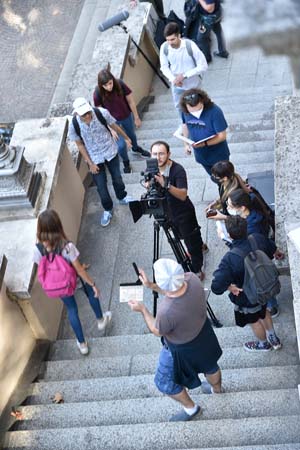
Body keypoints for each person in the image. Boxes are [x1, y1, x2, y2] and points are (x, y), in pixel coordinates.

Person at [128, 258, 223, 421]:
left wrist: (142, 309)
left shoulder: (166, 312)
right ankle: (217, 391)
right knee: (211, 365)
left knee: (163, 381)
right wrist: (151, 286)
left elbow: (157, 331)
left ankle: (191, 409)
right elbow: (176, 290)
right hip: (204, 334)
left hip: (181, 349)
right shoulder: (192, 279)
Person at [33, 209, 112, 355]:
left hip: (60, 286)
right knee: (90, 293)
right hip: (75, 280)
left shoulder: (37, 249)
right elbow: (79, 270)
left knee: (71, 309)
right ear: (57, 225)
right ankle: (101, 320)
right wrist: (93, 284)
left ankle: (82, 344)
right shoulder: (66, 246)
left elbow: (42, 267)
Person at [211, 216, 282, 352]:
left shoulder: (230, 259)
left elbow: (216, 286)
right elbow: (273, 249)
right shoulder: (257, 238)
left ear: (230, 235)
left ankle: (263, 344)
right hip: (265, 287)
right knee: (265, 312)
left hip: (248, 296)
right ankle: (273, 338)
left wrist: (229, 286)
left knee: (254, 321)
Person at [68, 97, 133, 227]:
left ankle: (122, 196)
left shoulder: (101, 113)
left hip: (110, 150)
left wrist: (126, 138)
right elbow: (80, 145)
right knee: (101, 187)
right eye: (83, 114)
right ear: (76, 113)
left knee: (117, 178)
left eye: (88, 112)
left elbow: (114, 125)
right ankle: (108, 208)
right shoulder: (74, 125)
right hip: (94, 158)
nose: (87, 116)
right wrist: (90, 163)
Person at [151, 140, 205, 278]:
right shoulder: (151, 169)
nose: (158, 158)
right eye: (154, 154)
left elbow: (182, 195)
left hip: (183, 213)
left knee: (191, 241)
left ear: (169, 154)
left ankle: (197, 269)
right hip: (167, 213)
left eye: (161, 154)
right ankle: (199, 245)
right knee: (179, 236)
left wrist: (166, 184)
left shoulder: (178, 170)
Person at [227, 189, 284, 318]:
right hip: (263, 253)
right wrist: (275, 251)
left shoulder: (251, 227)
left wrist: (230, 241)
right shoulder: (255, 213)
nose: (228, 208)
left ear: (242, 207)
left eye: (230, 206)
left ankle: (272, 306)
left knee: (263, 283)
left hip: (256, 260)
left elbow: (246, 244)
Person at [93, 66, 150, 169]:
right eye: (105, 85)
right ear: (101, 85)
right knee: (121, 146)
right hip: (112, 123)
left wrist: (136, 117)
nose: (109, 87)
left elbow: (130, 101)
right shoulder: (97, 93)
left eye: (110, 83)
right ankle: (125, 161)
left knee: (132, 135)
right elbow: (100, 114)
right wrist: (110, 129)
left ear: (113, 80)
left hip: (126, 116)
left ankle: (136, 149)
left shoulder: (120, 84)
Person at [160, 22, 207, 115]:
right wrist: (174, 79)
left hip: (193, 85)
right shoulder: (164, 47)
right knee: (179, 107)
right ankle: (184, 125)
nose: (170, 43)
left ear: (179, 36)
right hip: (177, 85)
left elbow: (203, 66)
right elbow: (164, 67)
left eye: (172, 39)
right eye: (167, 40)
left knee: (198, 107)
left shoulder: (190, 46)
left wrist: (184, 76)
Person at [180, 89, 230, 175]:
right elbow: (185, 125)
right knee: (213, 177)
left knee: (225, 177)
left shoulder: (215, 111)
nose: (195, 113)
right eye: (192, 110)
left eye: (198, 109)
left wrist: (204, 144)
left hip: (218, 155)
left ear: (203, 101)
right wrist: (186, 144)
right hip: (201, 155)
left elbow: (222, 136)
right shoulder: (185, 112)